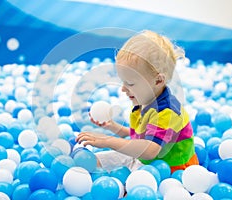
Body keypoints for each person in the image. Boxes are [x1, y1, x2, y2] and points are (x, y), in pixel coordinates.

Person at [76, 30, 199, 173]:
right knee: (95, 161)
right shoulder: (145, 99)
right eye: (123, 82)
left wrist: (107, 141)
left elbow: (150, 149)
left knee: (132, 181)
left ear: (158, 80)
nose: (123, 89)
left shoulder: (167, 112)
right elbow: (142, 136)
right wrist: (114, 128)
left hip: (170, 169)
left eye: (130, 83)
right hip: (145, 159)